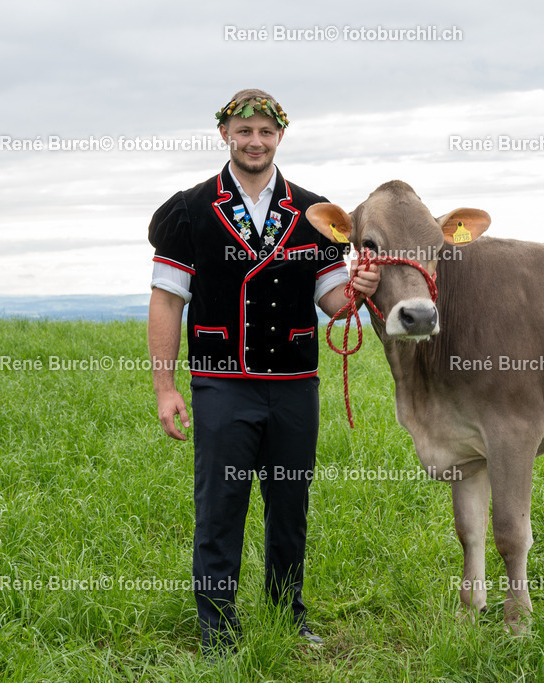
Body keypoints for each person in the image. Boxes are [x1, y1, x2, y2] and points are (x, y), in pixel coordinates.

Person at [146, 88, 378, 658]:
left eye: (266, 132)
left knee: (289, 506)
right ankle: (218, 631)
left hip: (295, 385)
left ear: (280, 137)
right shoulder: (190, 209)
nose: (255, 141)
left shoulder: (315, 213)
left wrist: (361, 291)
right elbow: (167, 300)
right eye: (244, 131)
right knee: (221, 505)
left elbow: (334, 302)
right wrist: (166, 387)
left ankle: (286, 618)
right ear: (225, 133)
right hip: (223, 381)